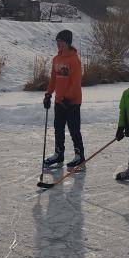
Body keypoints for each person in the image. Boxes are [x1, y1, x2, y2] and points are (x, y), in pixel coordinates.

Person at [43, 29, 85, 169]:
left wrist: (67, 98)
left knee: (74, 129)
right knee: (58, 128)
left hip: (72, 102)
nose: (58, 44)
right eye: (57, 42)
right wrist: (48, 94)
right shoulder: (56, 59)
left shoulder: (74, 60)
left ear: (67, 42)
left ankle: (79, 156)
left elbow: (76, 82)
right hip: (59, 101)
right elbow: (53, 79)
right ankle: (59, 153)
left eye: (61, 42)